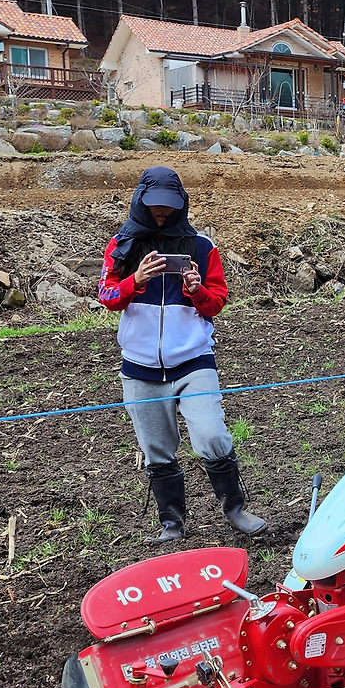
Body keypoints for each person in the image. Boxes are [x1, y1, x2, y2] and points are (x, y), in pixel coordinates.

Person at [97, 166, 265, 542]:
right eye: (155, 205)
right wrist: (135, 280)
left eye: (170, 205)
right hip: (139, 367)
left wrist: (195, 289)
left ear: (181, 205)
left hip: (193, 361)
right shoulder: (121, 245)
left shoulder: (202, 247)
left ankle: (235, 508)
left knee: (210, 436)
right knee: (156, 448)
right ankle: (172, 523)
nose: (162, 212)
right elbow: (106, 297)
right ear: (140, 201)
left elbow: (216, 304)